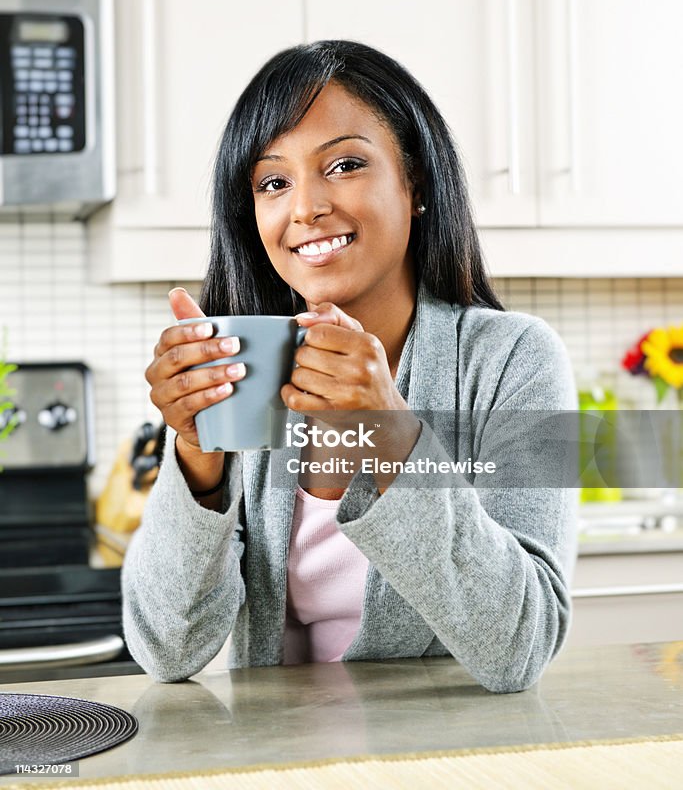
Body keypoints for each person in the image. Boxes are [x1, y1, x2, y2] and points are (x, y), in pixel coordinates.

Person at [122, 40, 578, 693]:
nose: (304, 207)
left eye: (342, 165)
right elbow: (168, 650)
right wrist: (196, 456)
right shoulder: (245, 371)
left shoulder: (512, 359)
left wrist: (391, 433)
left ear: (414, 184)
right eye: (272, 181)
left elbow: (518, 647)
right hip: (281, 765)